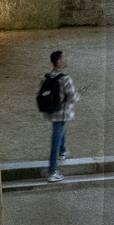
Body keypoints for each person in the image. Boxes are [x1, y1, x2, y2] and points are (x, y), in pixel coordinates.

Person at [36, 48, 78, 179]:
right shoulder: (65, 79)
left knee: (60, 130)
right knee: (56, 138)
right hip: (61, 112)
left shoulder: (46, 77)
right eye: (63, 58)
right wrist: (79, 94)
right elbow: (72, 97)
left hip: (51, 111)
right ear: (59, 62)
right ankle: (52, 171)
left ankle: (62, 151)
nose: (66, 60)